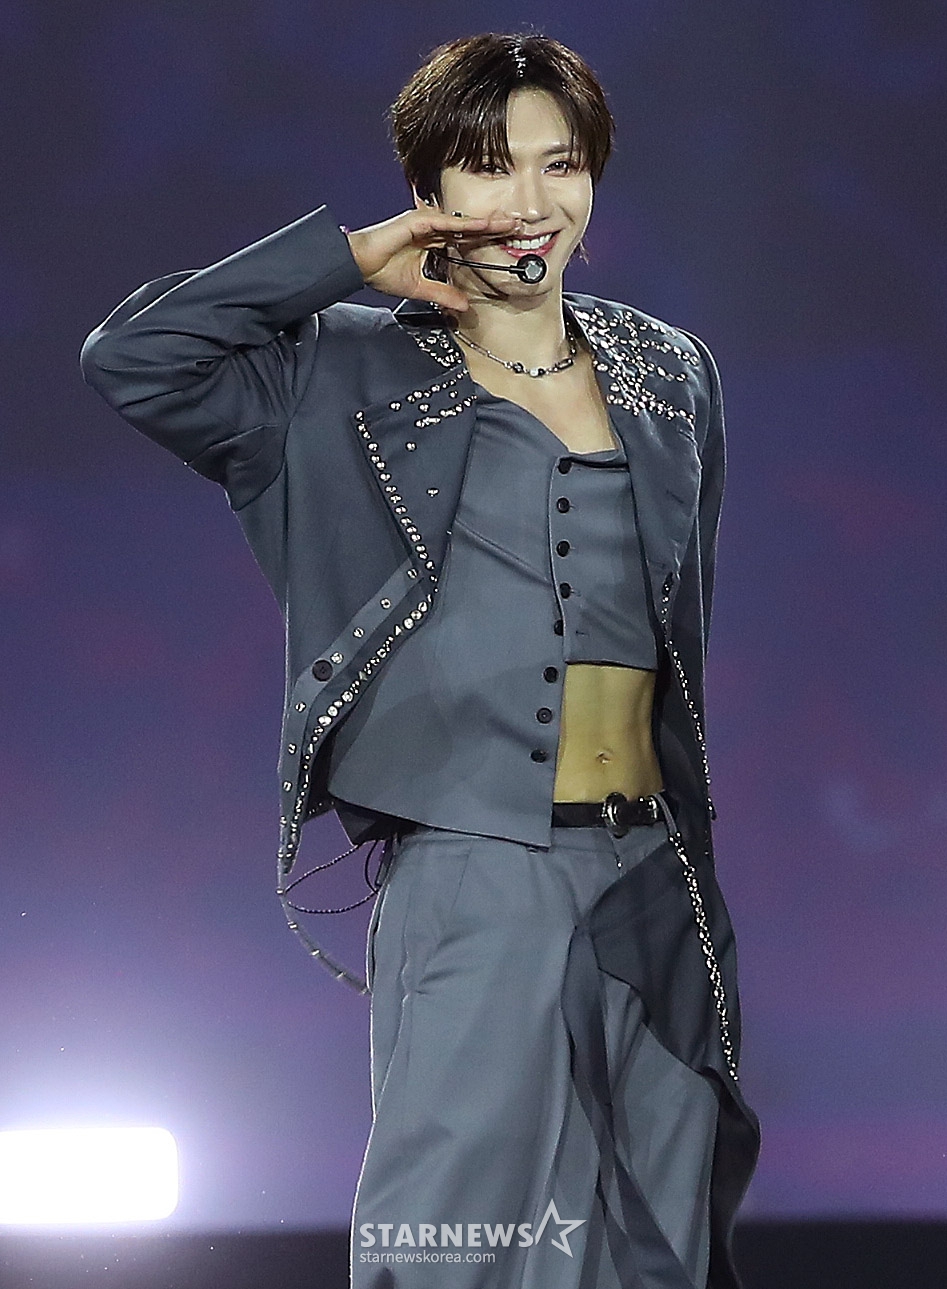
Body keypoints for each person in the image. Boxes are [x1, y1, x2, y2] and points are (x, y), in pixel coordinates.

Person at [80, 31, 760, 1289]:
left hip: (654, 870)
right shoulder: (336, 366)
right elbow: (135, 358)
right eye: (488, 167)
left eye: (560, 164)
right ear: (428, 188)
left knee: (656, 1245)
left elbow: (684, 628)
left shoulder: (671, 372)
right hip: (472, 863)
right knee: (447, 1242)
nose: (529, 201)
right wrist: (342, 261)